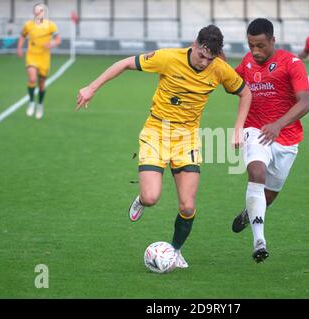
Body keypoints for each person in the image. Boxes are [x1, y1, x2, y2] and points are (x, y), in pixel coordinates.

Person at [76, 25, 252, 268]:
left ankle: (176, 251)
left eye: (210, 58)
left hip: (187, 138)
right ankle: (141, 200)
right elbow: (125, 63)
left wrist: (238, 128)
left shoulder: (219, 69)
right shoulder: (168, 58)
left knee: (188, 205)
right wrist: (91, 87)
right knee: (151, 197)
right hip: (157, 132)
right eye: (201, 55)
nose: (204, 62)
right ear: (194, 44)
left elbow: (246, 93)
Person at [231, 18, 309, 263]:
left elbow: (305, 102)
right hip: (255, 130)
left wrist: (278, 124)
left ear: (273, 41)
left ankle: (250, 212)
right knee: (256, 173)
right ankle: (259, 242)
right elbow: (232, 83)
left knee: (268, 197)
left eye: (261, 45)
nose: (255, 51)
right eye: (251, 45)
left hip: (286, 138)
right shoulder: (247, 61)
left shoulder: (292, 63)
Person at [17, 3, 60, 119]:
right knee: (32, 78)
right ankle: (31, 102)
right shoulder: (28, 25)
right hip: (31, 56)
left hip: (44, 58)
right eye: (37, 10)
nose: (39, 13)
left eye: (41, 11)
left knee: (41, 85)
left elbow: (57, 40)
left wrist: (52, 43)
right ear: (34, 12)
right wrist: (19, 48)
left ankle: (40, 105)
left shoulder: (51, 26)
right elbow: (22, 36)